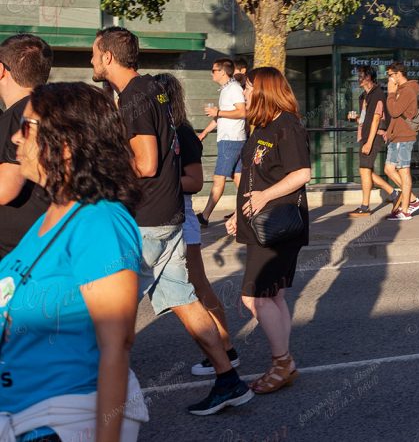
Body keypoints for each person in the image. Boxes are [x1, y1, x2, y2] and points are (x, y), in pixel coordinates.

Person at [91, 27, 251, 415]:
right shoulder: (153, 90)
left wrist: (102, 167)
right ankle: (228, 379)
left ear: (108, 57)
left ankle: (103, 402)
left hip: (145, 221)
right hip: (168, 215)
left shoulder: (135, 95)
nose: (91, 61)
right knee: (183, 299)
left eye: (94, 54)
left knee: (107, 310)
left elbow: (146, 163)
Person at [0, 82, 148, 441]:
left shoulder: (99, 221)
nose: (16, 138)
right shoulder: (50, 218)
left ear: (66, 144)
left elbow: (117, 344)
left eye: (26, 127)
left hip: (60, 422)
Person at [226, 67, 311, 395]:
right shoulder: (262, 125)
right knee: (273, 295)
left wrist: (264, 197)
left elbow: (301, 173)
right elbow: (252, 176)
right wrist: (238, 213)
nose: (245, 93)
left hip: (278, 223)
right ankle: (284, 361)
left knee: (255, 296)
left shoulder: (287, 125)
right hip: (258, 222)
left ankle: (282, 362)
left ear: (264, 90)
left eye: (248, 87)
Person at [153, 73, 239, 378]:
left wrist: (156, 184)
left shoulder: (183, 132)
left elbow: (195, 181)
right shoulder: (157, 130)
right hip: (158, 218)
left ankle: (226, 350)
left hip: (182, 216)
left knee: (199, 286)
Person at [0, 34, 51, 257]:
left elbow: (5, 190)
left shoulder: (21, 114)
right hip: (39, 244)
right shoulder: (48, 107)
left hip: (18, 255)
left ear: (1, 70)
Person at [197, 58, 247, 225]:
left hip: (230, 141)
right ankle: (247, 212)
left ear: (223, 72)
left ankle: (204, 217)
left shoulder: (233, 89)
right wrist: (204, 133)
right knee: (239, 178)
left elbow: (242, 112)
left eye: (214, 70)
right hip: (233, 140)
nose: (212, 73)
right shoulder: (227, 89)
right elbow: (221, 116)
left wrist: (218, 112)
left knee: (219, 178)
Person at [346, 66, 397, 217]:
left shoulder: (377, 94)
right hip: (365, 135)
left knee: (364, 169)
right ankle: (394, 194)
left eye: (361, 76)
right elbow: (365, 119)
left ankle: (365, 207)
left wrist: (369, 142)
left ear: (369, 77)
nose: (358, 79)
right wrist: (356, 118)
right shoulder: (364, 96)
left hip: (374, 136)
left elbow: (376, 119)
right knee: (365, 170)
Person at [383, 62, 419, 221]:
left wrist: (390, 93)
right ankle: (413, 199)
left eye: (390, 75)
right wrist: (389, 132)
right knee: (389, 169)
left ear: (398, 74)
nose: (388, 78)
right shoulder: (401, 90)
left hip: (404, 136)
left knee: (403, 171)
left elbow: (394, 111)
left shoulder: (408, 90)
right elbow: (396, 117)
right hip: (396, 136)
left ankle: (405, 210)